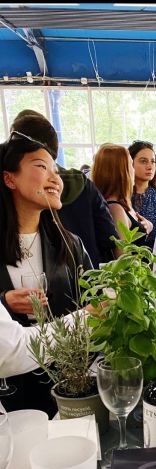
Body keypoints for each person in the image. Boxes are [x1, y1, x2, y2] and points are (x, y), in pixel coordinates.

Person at [0, 130, 93, 414]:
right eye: (41, 166)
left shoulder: (69, 243)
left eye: (56, 169)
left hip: (67, 393)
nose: (56, 179)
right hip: (10, 402)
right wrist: (4, 301)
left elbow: (94, 299)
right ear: (9, 178)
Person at [10, 111, 119, 267]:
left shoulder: (19, 192)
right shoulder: (83, 184)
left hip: (51, 277)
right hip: (90, 278)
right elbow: (109, 237)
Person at [92, 144, 152, 247]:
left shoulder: (120, 204)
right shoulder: (115, 208)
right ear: (121, 172)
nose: (133, 170)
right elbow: (123, 258)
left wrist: (148, 226)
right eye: (130, 165)